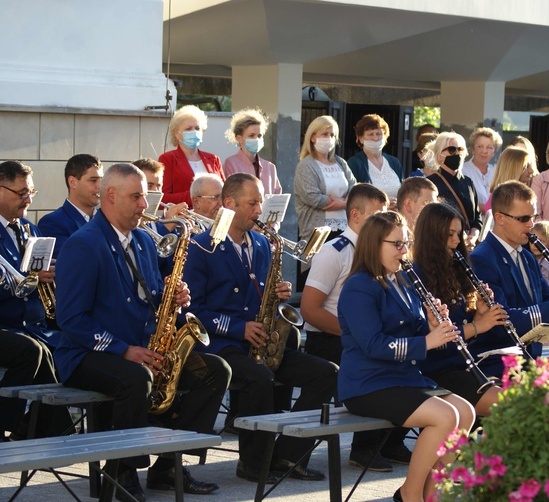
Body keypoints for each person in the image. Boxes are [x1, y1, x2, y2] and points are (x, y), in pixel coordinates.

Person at [54, 163, 230, 501]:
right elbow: (72, 320)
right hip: (84, 354)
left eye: (143, 197)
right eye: (136, 197)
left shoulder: (144, 241)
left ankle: (167, 465)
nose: (143, 206)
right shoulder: (83, 244)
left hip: (136, 346)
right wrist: (124, 350)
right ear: (110, 196)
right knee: (136, 379)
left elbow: (148, 296)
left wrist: (174, 298)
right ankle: (121, 472)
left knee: (215, 372)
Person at [183, 173, 337, 484]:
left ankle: (288, 453)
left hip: (258, 342)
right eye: (253, 203)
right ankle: (253, 462)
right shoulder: (202, 247)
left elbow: (261, 296)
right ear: (229, 204)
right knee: (260, 378)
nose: (259, 210)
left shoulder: (264, 245)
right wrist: (239, 329)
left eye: (261, 202)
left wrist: (277, 295)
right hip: (220, 345)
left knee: (327, 373)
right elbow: (192, 311)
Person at [337, 211, 475, 502]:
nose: (404, 251)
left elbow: (412, 329)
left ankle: (434, 492)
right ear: (374, 244)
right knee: (444, 416)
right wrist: (427, 340)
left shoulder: (403, 281)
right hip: (368, 383)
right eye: (397, 244)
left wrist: (431, 324)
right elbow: (373, 344)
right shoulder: (359, 286)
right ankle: (410, 493)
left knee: (466, 412)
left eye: (406, 243)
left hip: (402, 378)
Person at [301, 183, 410, 472]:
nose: (385, 221)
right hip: (330, 338)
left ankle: (390, 441)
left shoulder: (385, 253)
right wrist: (357, 333)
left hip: (363, 336)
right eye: (378, 215)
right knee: (378, 361)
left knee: (412, 361)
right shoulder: (334, 252)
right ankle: (364, 448)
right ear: (356, 216)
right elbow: (310, 310)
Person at [469, 181, 549, 376]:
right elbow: (501, 322)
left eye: (533, 217)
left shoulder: (526, 256)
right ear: (499, 218)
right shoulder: (482, 258)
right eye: (523, 218)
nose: (531, 225)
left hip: (531, 361)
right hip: (499, 364)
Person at [412, 202, 507, 416]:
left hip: (463, 362)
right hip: (435, 369)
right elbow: (435, 337)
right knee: (509, 406)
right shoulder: (417, 276)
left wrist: (479, 312)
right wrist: (478, 325)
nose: (456, 241)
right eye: (449, 235)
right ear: (432, 237)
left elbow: (463, 321)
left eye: (459, 234)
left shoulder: (455, 269)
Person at [0, 160, 72, 441]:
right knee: (32, 351)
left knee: (67, 348)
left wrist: (51, 276)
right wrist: (29, 278)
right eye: (21, 193)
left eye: (31, 192)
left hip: (32, 323)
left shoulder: (30, 228)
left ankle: (38, 427)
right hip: (6, 323)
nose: (28, 199)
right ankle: (55, 431)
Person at [294, 115, 356, 253]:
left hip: (344, 229)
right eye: (324, 134)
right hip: (318, 234)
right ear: (312, 137)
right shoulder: (306, 166)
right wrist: (344, 202)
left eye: (332, 135)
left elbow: (354, 188)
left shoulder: (340, 163)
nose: (329, 138)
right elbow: (313, 198)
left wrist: (344, 203)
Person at [38, 154, 102, 258]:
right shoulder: (52, 223)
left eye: (101, 180)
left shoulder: (107, 219)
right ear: (73, 182)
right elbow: (74, 260)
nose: (100, 186)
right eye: (93, 180)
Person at [424, 132, 482, 246]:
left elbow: (476, 216)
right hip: (444, 244)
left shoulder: (468, 182)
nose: (457, 153)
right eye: (451, 150)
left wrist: (474, 235)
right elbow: (431, 219)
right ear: (439, 155)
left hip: (469, 245)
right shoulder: (430, 183)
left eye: (460, 149)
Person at [158, 105, 224, 207]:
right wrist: (198, 196)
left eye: (197, 128)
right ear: (177, 134)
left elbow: (224, 192)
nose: (194, 132)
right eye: (188, 129)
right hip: (183, 219)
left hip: (212, 218)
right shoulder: (167, 159)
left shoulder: (213, 159)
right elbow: (163, 198)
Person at [222, 107, 282, 197]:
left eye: (259, 136)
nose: (256, 139)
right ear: (239, 139)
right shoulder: (230, 164)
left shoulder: (270, 167)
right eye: (251, 135)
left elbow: (277, 198)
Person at [347, 114, 403, 205]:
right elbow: (353, 197)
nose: (375, 138)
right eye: (370, 134)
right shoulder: (354, 163)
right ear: (361, 139)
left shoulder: (394, 162)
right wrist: (384, 203)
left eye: (379, 134)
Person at [484, 146, 537, 211]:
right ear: (513, 169)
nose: (531, 171)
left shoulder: (525, 194)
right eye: (526, 166)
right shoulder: (498, 198)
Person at [462, 127, 503, 208]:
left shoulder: (497, 172)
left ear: (494, 152)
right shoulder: (463, 171)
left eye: (489, 147)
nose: (484, 151)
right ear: (473, 149)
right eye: (480, 146)